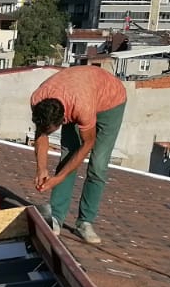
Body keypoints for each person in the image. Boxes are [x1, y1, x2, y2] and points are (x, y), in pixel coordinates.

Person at [30, 64, 128, 245]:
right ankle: (56, 217)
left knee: (98, 164)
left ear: (62, 121)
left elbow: (88, 143)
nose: (48, 132)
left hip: (111, 101)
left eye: (51, 130)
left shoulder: (81, 107)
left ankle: (85, 222)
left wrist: (59, 178)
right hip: (80, 92)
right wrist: (41, 169)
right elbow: (41, 135)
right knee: (68, 156)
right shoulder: (38, 99)